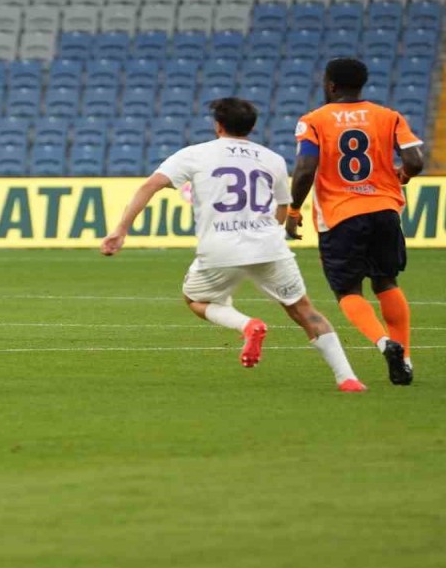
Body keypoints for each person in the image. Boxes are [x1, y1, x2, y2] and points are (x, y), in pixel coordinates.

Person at [101, 98, 366, 392]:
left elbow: (149, 185)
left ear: (218, 125)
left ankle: (247, 325)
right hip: (269, 247)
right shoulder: (272, 159)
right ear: (252, 126)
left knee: (195, 300)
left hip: (220, 249)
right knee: (304, 310)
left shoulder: (194, 154)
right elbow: (283, 207)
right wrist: (265, 233)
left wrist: (120, 230)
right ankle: (348, 378)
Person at [287, 57, 425, 386]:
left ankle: (383, 343)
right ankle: (404, 357)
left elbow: (306, 169)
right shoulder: (388, 116)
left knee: (348, 290)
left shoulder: (314, 121)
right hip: (384, 210)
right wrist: (402, 175)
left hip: (341, 215)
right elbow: (414, 160)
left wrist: (293, 212)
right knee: (386, 282)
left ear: (331, 85)